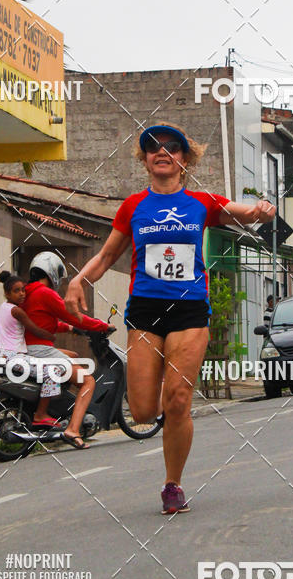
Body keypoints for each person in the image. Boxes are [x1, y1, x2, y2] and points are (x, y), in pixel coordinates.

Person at [64, 123, 276, 514]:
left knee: (177, 400)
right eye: (153, 148)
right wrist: (79, 279)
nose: (162, 152)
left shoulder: (202, 203)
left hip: (190, 309)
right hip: (145, 311)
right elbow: (107, 256)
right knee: (144, 411)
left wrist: (261, 209)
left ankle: (172, 484)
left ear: (184, 159)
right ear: (145, 160)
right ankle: (160, 405)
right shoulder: (132, 207)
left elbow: (243, 212)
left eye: (172, 147)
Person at [24, 251, 112, 448]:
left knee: (74, 356)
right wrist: (101, 326)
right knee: (88, 380)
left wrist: (70, 328)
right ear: (51, 272)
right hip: (41, 351)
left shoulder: (26, 292)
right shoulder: (45, 293)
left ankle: (59, 404)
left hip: (27, 349)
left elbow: (46, 322)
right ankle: (72, 429)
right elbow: (73, 315)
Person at [0, 271, 66, 408]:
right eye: (16, 291)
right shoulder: (17, 311)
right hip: (12, 356)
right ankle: (41, 413)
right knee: (53, 371)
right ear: (7, 294)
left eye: (23, 290)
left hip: (0, 354)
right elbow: (34, 329)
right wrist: (50, 336)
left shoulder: (4, 307)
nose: (22, 294)